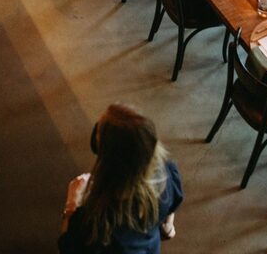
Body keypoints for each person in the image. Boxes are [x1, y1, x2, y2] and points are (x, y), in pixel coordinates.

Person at [59, 104, 183, 254]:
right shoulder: (167, 173)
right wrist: (168, 226)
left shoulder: (95, 221)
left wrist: (71, 205)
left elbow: (67, 248)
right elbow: (173, 204)